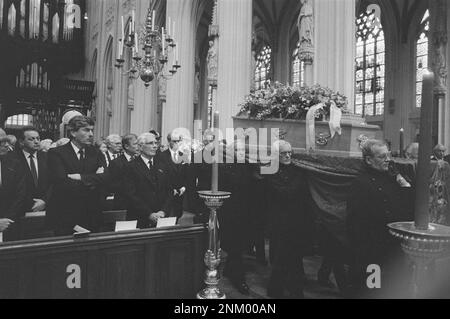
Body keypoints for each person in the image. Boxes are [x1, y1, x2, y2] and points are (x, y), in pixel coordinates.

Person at [347, 139, 414, 298]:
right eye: (382, 157)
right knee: (373, 289)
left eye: (388, 155)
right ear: (369, 160)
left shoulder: (393, 178)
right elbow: (355, 222)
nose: (388, 160)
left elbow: (408, 208)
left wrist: (403, 183)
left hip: (393, 248)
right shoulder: (360, 183)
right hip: (371, 251)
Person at [46, 116, 109, 235]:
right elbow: (62, 183)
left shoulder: (96, 153)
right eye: (86, 130)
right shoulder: (57, 153)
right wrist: (93, 179)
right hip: (66, 215)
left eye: (91, 130)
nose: (91, 134)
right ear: (73, 132)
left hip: (92, 215)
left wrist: (80, 177)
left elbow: (105, 178)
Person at [266, 140, 313, 298]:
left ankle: (293, 289)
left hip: (297, 220)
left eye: (289, 153)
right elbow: (284, 194)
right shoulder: (270, 170)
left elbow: (303, 192)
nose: (288, 156)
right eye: (283, 153)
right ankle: (276, 290)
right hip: (279, 221)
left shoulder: (296, 169)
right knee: (282, 258)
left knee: (294, 258)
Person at [124, 133, 173, 229]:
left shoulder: (163, 165)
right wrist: (149, 214)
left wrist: (163, 211)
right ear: (141, 147)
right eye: (151, 143)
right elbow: (130, 194)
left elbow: (169, 191)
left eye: (156, 143)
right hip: (140, 219)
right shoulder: (130, 167)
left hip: (162, 218)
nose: (155, 146)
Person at [16, 127, 49, 213]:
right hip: (21, 209)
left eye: (38, 138)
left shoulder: (47, 157)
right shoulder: (14, 159)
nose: (36, 141)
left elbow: (53, 182)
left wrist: (44, 201)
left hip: (45, 207)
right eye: (31, 139)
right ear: (21, 142)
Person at [156, 130, 188, 219]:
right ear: (169, 141)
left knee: (177, 215)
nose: (177, 143)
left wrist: (184, 187)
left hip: (181, 192)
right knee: (167, 216)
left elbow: (187, 173)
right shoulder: (161, 156)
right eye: (174, 141)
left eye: (178, 141)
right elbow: (161, 176)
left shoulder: (183, 155)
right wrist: (170, 188)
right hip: (167, 192)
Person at [0, 135, 26, 241]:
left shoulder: (14, 164)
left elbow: (21, 193)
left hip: (10, 221)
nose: (6, 145)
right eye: (2, 142)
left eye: (7, 142)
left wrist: (7, 218)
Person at [109, 134, 140, 210]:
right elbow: (113, 184)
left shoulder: (140, 161)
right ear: (126, 146)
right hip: (124, 204)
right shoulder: (116, 163)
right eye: (135, 144)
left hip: (139, 204)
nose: (138, 146)